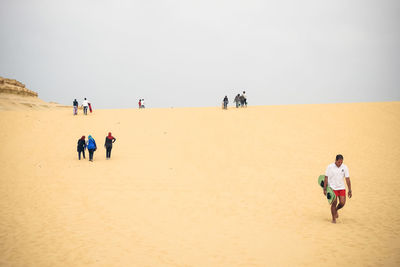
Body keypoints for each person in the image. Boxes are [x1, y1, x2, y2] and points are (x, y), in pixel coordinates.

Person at [323, 154, 352, 223]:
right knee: (334, 203)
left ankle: (336, 210)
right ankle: (333, 219)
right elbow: (326, 177)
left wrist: (349, 190)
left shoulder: (345, 167)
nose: (340, 163)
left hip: (341, 187)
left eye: (341, 162)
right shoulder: (330, 167)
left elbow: (347, 179)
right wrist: (325, 188)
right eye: (339, 162)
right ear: (335, 160)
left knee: (342, 203)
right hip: (332, 187)